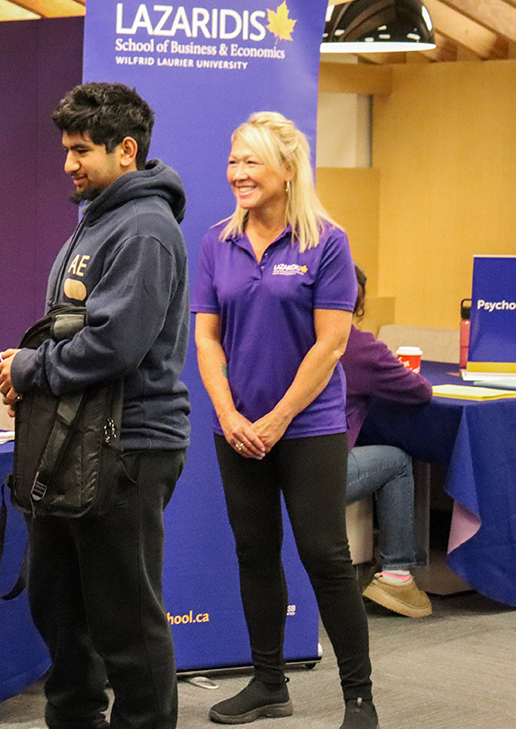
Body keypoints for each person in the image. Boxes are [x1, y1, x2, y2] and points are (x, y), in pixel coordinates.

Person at [0, 82, 191, 729]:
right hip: (78, 445)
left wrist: (31, 368)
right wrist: (29, 368)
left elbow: (115, 346)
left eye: (82, 150)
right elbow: (71, 330)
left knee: (127, 629)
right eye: (66, 150)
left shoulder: (146, 229)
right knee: (63, 616)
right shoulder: (101, 218)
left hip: (128, 449)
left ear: (125, 149)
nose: (69, 163)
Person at [191, 111, 377, 729]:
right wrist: (228, 412)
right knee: (255, 553)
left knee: (324, 554)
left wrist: (275, 419)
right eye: (234, 161)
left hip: (308, 428)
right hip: (236, 428)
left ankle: (359, 699)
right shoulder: (218, 242)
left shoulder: (327, 240)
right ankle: (268, 684)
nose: (238, 173)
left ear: (289, 169)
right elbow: (207, 339)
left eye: (252, 162)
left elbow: (330, 344)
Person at [342, 265, 434, 618]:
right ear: (358, 305)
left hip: (275, 461)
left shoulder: (291, 335)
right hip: (321, 470)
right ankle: (397, 573)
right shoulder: (361, 347)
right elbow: (420, 391)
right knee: (397, 461)